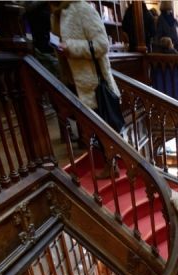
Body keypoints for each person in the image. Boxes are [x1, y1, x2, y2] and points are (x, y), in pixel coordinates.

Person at [52, 0, 119, 178]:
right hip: (74, 81)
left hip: (93, 83)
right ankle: (109, 164)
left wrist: (71, 48)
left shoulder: (82, 9)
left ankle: (111, 165)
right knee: (92, 127)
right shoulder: (56, 14)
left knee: (102, 126)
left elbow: (102, 44)